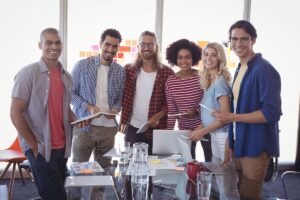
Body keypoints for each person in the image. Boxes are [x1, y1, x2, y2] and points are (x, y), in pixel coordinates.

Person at [10, 28, 83, 200]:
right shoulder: (28, 73)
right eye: (48, 42)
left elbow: (64, 109)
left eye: (57, 42)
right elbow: (15, 113)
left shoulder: (67, 77)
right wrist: (32, 144)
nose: (54, 46)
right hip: (41, 147)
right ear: (40, 45)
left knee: (56, 192)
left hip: (62, 147)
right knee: (56, 196)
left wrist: (75, 118)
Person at [213, 20, 282, 200]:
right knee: (241, 191)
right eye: (234, 39)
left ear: (253, 40)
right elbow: (237, 108)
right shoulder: (241, 68)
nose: (238, 44)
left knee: (249, 194)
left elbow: (271, 112)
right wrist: (231, 137)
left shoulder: (264, 70)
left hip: (256, 143)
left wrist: (231, 117)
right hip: (240, 141)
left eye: (244, 39)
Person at [190, 42, 239, 199]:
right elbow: (211, 112)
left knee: (227, 187)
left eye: (213, 54)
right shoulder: (210, 81)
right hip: (215, 136)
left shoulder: (220, 82)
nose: (208, 58)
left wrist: (203, 131)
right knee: (220, 183)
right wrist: (201, 125)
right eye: (206, 54)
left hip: (223, 137)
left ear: (220, 58)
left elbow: (225, 117)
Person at [71, 28, 125, 168]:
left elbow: (119, 97)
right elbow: (70, 93)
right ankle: (76, 191)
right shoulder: (82, 66)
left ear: (118, 48)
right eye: (107, 44)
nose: (110, 49)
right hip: (85, 127)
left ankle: (98, 192)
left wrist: (115, 108)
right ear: (100, 44)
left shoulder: (120, 71)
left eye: (114, 46)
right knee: (79, 169)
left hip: (108, 129)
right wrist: (87, 106)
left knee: (103, 171)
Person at [120, 31, 174, 154]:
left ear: (156, 47)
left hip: (157, 130)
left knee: (155, 167)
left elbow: (171, 103)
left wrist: (158, 116)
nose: (147, 48)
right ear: (138, 47)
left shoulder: (167, 73)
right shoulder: (128, 70)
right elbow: (119, 94)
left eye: (151, 44)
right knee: (132, 166)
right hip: (133, 128)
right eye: (143, 44)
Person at [165, 39, 212, 161]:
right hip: (185, 131)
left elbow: (210, 103)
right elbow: (172, 111)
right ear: (175, 59)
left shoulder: (202, 77)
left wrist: (196, 111)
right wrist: (169, 134)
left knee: (211, 160)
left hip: (204, 127)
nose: (183, 61)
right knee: (188, 164)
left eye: (187, 57)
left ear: (193, 58)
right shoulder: (170, 82)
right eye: (180, 58)